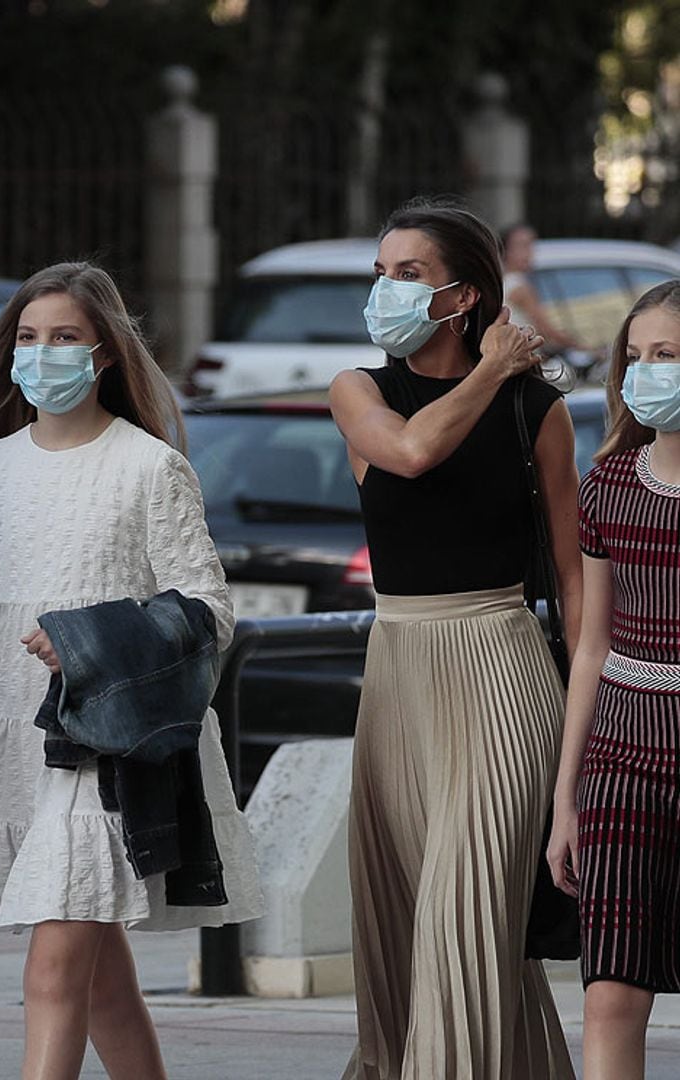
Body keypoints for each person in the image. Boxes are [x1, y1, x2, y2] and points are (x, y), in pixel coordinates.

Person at [0, 260, 263, 1079]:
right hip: (15, 740)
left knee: (53, 972)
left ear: (105, 355)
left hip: (107, 752)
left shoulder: (148, 467)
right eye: (27, 337)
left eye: (64, 338)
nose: (42, 352)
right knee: (102, 985)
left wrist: (90, 639)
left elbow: (210, 611)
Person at [328, 199, 582, 1079]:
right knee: (407, 936)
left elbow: (575, 577)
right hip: (397, 676)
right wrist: (490, 370)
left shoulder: (535, 411)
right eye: (380, 273)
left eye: (409, 274)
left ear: (461, 297)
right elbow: (408, 454)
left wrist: (589, 727)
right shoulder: (359, 391)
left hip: (502, 673)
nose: (385, 289)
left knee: (464, 923)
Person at [546, 280, 680, 1080]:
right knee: (609, 997)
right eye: (635, 357)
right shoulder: (608, 485)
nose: (646, 372)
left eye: (666, 356)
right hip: (621, 767)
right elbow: (590, 646)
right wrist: (567, 799)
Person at [501, 222, 582, 353]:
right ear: (506, 250)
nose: (529, 252)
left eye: (531, 245)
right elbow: (546, 329)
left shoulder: (502, 281)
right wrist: (583, 348)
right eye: (522, 246)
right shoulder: (519, 286)